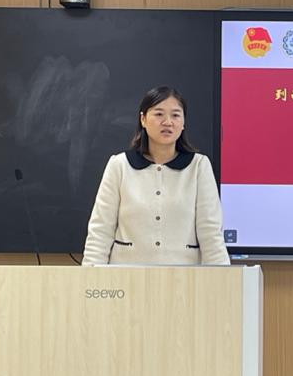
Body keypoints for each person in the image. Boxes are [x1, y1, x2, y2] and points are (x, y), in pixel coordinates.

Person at [82, 87, 230, 266]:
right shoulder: (119, 165)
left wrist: (224, 279)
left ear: (183, 122)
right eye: (159, 114)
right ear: (143, 119)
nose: (168, 122)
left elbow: (211, 233)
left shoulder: (198, 166)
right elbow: (100, 230)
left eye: (175, 115)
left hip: (184, 277)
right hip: (126, 275)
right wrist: (90, 276)